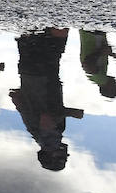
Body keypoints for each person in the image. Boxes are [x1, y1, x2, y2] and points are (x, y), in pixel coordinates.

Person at [10, 29, 83, 171]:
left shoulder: (50, 141)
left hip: (44, 75)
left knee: (58, 31)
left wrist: (71, 113)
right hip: (27, 72)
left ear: (52, 155)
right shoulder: (33, 132)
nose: (67, 155)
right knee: (30, 29)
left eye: (62, 158)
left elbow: (46, 118)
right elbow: (16, 99)